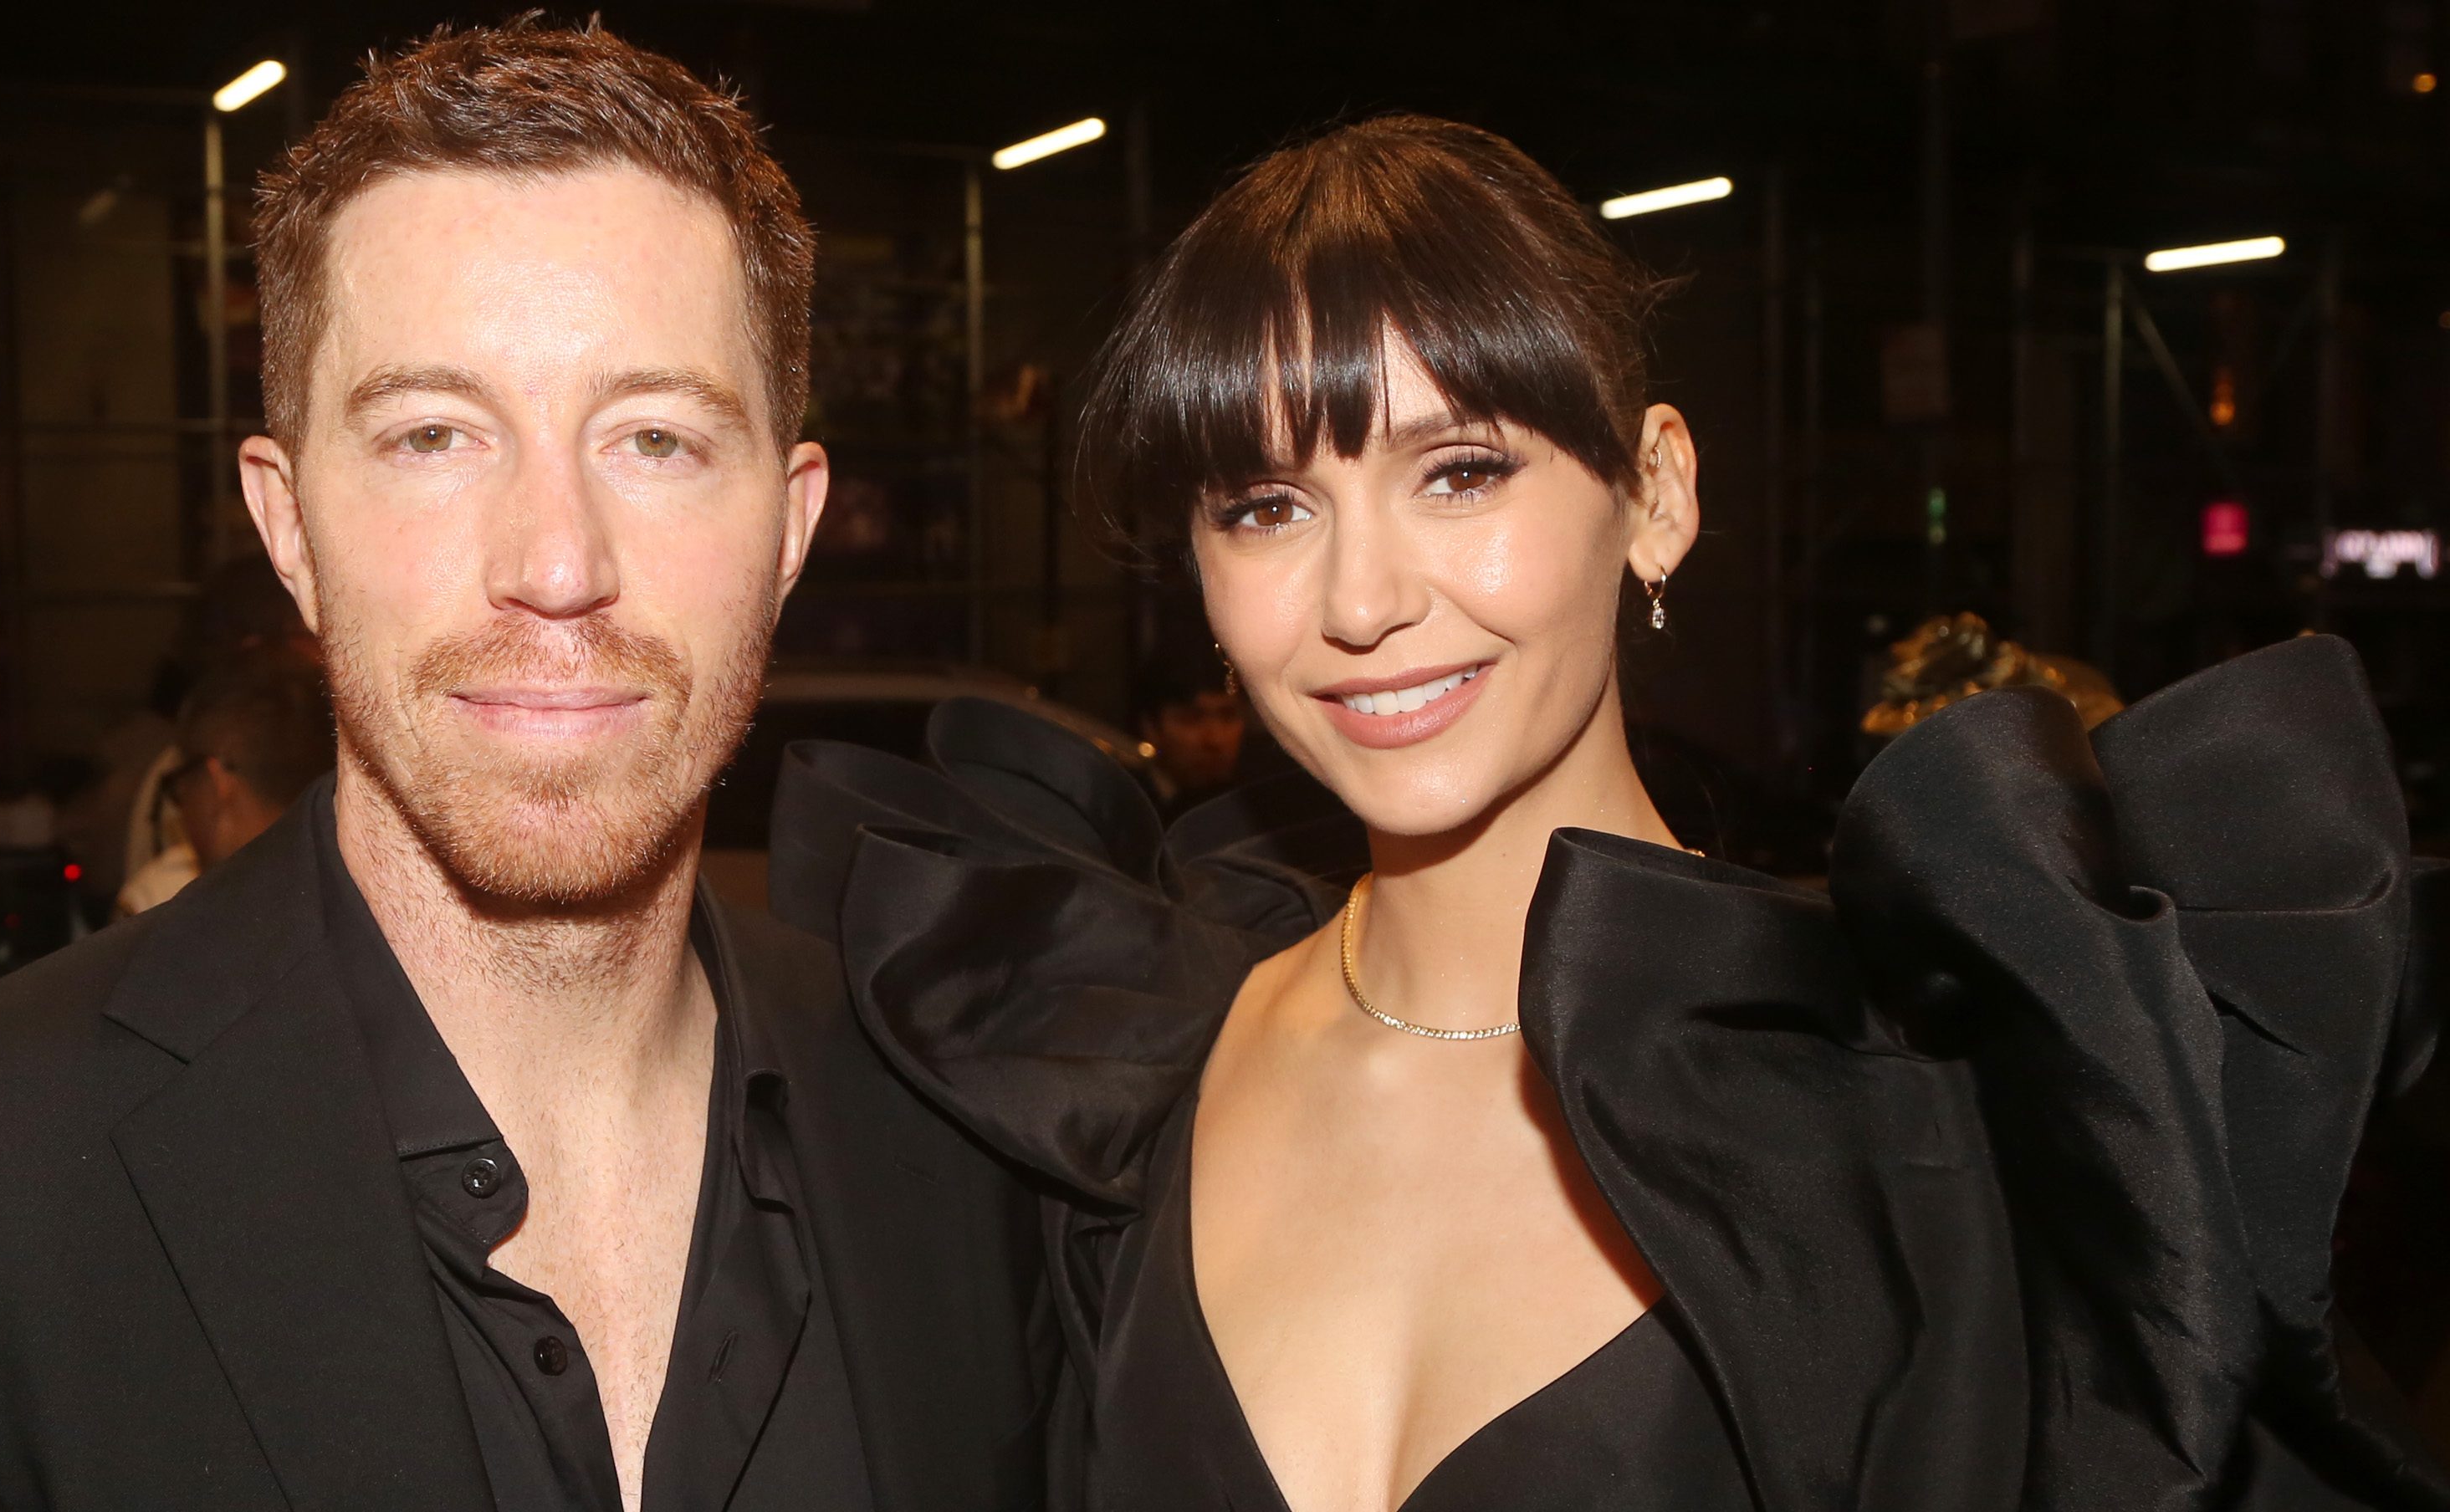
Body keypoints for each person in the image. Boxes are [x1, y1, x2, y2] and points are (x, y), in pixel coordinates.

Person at [769, 116, 2448, 1510]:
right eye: (1268, 505)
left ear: (1653, 493)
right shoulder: (1114, 1077)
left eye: (1461, 470)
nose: (1361, 599)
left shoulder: (1922, 1123)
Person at [0, 20, 1051, 1512]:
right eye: (435, 434)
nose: (558, 564)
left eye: (654, 439)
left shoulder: (977, 1141)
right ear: (288, 527)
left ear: (791, 525)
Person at [115, 656, 336, 917]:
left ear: (215, 784)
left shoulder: (163, 906)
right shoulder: (360, 887)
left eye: (181, 788)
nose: (181, 812)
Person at [1132, 642, 1249, 818]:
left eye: (1228, 717)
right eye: (1191, 719)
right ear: (1151, 727)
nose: (1214, 739)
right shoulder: (1127, 810)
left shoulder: (1255, 808)